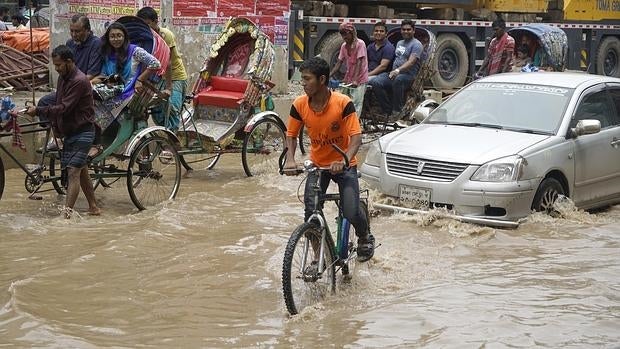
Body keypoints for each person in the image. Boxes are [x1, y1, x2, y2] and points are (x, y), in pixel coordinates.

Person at [283, 57, 375, 262]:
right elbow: (291, 135)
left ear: (322, 79)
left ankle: (364, 236)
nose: (303, 83)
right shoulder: (299, 105)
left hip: (344, 164)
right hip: (317, 166)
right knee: (310, 213)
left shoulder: (343, 103)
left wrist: (344, 160)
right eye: (302, 79)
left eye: (307, 79)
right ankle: (319, 257)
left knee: (350, 211)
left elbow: (356, 138)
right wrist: (290, 159)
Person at [25, 45, 101, 218]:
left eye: (59, 65)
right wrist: (56, 128)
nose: (57, 68)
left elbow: (64, 108)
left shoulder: (79, 81)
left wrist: (38, 111)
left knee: (73, 171)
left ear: (69, 62)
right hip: (70, 130)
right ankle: (94, 207)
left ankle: (66, 216)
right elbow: (59, 101)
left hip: (84, 130)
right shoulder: (63, 77)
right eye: (55, 65)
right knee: (82, 171)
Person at [37, 14, 103, 152]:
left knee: (63, 107)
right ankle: (57, 135)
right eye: (72, 31)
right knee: (44, 102)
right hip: (69, 85)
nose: (74, 35)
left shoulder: (95, 44)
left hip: (84, 86)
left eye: (77, 31)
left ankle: (63, 136)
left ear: (87, 30)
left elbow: (91, 73)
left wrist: (75, 84)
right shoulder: (70, 44)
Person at [91, 21, 160, 134]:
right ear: (108, 39)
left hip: (127, 92)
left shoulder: (135, 51)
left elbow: (155, 63)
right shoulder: (108, 54)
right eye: (112, 36)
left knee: (99, 112)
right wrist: (90, 82)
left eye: (119, 35)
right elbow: (104, 75)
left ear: (125, 37)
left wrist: (140, 79)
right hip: (111, 89)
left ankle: (98, 140)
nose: (116, 39)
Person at [136, 6, 188, 131]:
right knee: (156, 109)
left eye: (148, 24)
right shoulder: (143, 36)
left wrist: (169, 88)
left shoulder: (166, 35)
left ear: (155, 21)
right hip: (157, 76)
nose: (145, 28)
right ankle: (164, 135)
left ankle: (172, 139)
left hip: (175, 76)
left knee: (172, 108)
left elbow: (168, 63)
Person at [368, 19, 423, 119]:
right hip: (393, 74)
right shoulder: (399, 43)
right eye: (403, 29)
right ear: (401, 30)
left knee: (398, 80)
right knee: (375, 82)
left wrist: (398, 70)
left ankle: (397, 111)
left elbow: (411, 62)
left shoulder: (416, 44)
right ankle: (387, 110)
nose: (406, 31)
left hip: (409, 76)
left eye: (408, 29)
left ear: (413, 31)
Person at [329, 22, 368, 116]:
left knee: (355, 103)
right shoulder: (344, 46)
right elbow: (339, 63)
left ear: (352, 33)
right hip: (349, 77)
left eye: (346, 34)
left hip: (360, 78)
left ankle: (354, 125)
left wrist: (355, 80)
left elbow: (359, 62)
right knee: (343, 101)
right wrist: (328, 75)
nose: (344, 37)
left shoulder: (360, 44)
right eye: (342, 34)